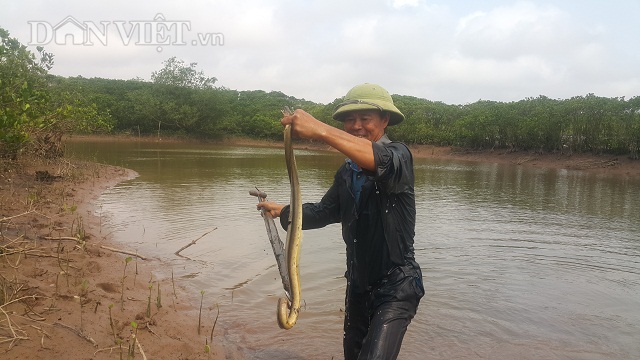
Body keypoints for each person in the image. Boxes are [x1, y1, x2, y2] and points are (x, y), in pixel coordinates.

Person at [258, 83, 424, 360]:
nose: (356, 125)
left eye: (365, 118)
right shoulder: (347, 172)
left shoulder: (399, 157)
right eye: (350, 119)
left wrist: (320, 129)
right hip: (358, 285)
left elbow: (379, 159)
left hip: (397, 285)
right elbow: (325, 212)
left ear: (384, 121)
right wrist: (285, 211)